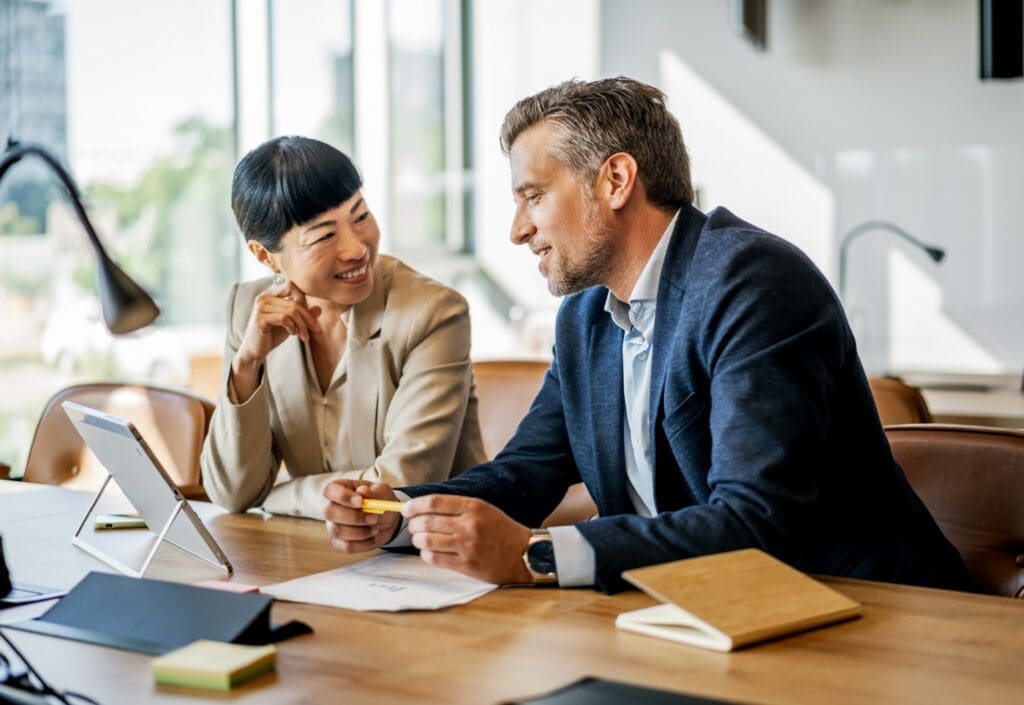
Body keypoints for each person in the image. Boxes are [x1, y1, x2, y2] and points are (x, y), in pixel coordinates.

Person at [320, 78, 971, 593]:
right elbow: (523, 478)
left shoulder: (753, 282)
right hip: (697, 614)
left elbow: (758, 522)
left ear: (616, 180)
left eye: (533, 196)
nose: (518, 229)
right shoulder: (586, 319)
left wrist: (535, 555)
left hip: (870, 618)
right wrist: (396, 513)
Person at [201, 136, 486, 519]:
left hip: (427, 555)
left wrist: (278, 496)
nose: (356, 248)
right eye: (324, 235)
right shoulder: (248, 312)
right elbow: (232, 493)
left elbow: (398, 489)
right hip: (313, 554)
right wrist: (247, 364)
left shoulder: (432, 313)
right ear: (265, 256)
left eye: (361, 216)